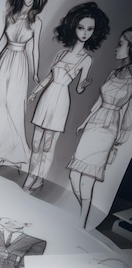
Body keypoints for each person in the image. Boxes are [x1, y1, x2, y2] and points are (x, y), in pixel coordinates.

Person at [23, 2, 109, 193]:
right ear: (73, 27)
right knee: (36, 142)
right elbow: (48, 78)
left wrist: (83, 85)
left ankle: (38, 178)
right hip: (47, 96)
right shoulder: (62, 53)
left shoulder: (86, 59)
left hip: (62, 99)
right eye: (81, 27)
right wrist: (35, 92)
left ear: (95, 31)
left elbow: (78, 88)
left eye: (90, 29)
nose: (85, 33)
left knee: (48, 144)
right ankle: (31, 174)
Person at [67, 27, 132, 228]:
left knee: (88, 181)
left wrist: (119, 139)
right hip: (94, 124)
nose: (116, 48)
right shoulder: (113, 73)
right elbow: (97, 101)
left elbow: (128, 113)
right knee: (73, 174)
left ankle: (81, 225)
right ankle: (82, 219)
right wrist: (85, 123)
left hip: (109, 128)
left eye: (120, 44)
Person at [0, 0, 47, 169]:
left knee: (13, 104)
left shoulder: (36, 21)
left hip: (20, 64)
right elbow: (1, 42)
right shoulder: (11, 15)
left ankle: (10, 148)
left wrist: (35, 71)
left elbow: (34, 49)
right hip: (5, 60)